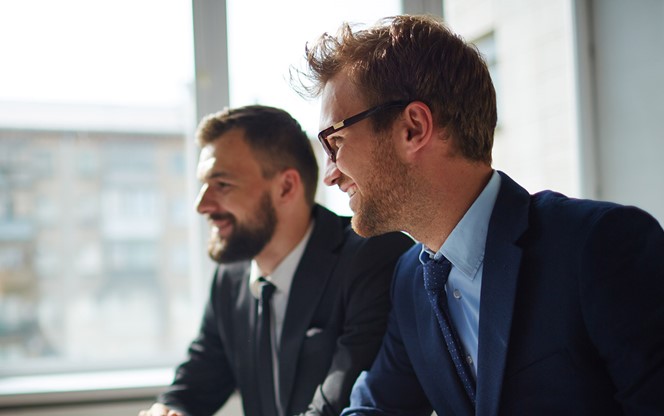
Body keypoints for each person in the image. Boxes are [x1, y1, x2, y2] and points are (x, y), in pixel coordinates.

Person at [295, 14, 664, 416]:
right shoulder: (411, 281)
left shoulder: (600, 244)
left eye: (336, 143)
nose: (329, 174)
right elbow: (376, 408)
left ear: (414, 128)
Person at [138, 105, 413, 416]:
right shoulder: (230, 277)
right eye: (203, 185)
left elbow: (341, 406)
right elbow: (198, 379)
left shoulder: (373, 258)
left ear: (286, 187)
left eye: (223, 185)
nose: (202, 205)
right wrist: (169, 410)